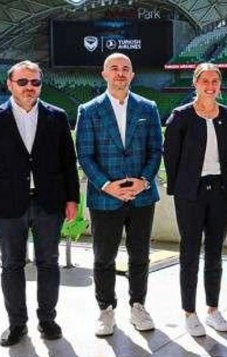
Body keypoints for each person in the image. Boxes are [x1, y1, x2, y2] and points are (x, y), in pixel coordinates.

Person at [0, 60, 80, 347]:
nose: (29, 87)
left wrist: (73, 199)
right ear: (10, 84)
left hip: (50, 203)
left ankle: (47, 320)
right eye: (23, 82)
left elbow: (68, 162)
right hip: (8, 205)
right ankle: (17, 324)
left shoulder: (56, 117)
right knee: (12, 265)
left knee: (49, 263)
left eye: (35, 82)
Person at [75, 53, 162, 337]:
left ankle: (138, 304)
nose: (120, 73)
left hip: (141, 196)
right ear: (104, 74)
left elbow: (155, 150)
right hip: (105, 197)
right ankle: (105, 309)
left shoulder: (148, 108)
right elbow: (85, 155)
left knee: (140, 255)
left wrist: (144, 181)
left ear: (133, 75)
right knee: (104, 257)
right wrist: (106, 185)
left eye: (126, 69)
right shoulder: (88, 110)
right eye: (114, 68)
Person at [163, 63, 227, 337]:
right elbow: (170, 157)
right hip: (190, 194)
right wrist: (182, 188)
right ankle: (189, 312)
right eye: (204, 80)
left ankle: (213, 309)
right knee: (190, 252)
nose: (210, 86)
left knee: (215, 252)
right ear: (195, 83)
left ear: (220, 85)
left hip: (218, 190)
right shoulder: (181, 116)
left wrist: (218, 181)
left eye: (214, 81)